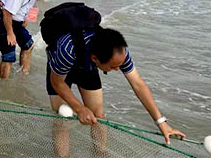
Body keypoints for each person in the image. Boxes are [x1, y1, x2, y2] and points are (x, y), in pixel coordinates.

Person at [45, 20, 186, 146]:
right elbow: (57, 83)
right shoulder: (67, 49)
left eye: (120, 64)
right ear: (95, 58)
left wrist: (161, 122)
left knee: (98, 116)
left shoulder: (119, 52)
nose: (118, 69)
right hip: (60, 68)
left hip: (87, 67)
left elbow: (138, 84)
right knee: (62, 117)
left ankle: (100, 155)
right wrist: (79, 108)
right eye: (113, 67)